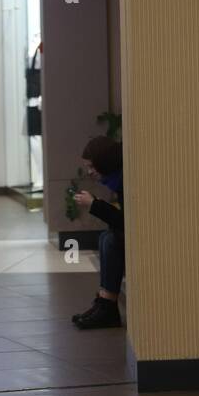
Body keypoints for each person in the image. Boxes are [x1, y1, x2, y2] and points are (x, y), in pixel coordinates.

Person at [70, 137, 125, 330]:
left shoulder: (126, 180)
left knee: (110, 240)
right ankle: (105, 300)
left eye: (92, 167)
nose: (89, 172)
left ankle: (108, 306)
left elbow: (127, 222)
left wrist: (95, 205)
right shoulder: (118, 180)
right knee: (106, 237)